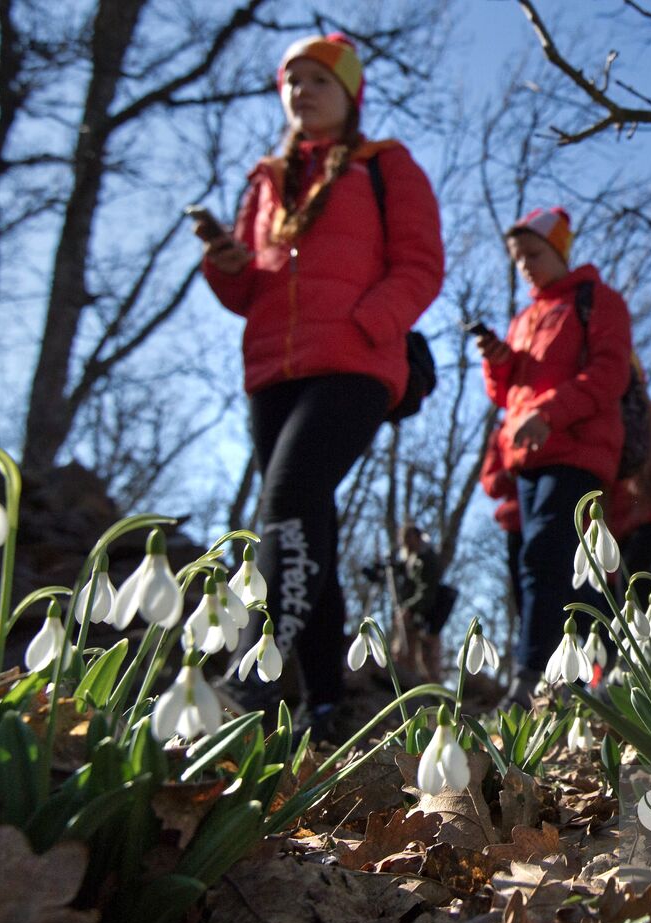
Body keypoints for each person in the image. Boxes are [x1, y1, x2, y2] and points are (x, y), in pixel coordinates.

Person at [198, 33, 444, 730]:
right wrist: (226, 261)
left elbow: (421, 262)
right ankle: (325, 701)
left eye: (318, 81)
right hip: (271, 366)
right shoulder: (266, 179)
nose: (301, 92)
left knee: (289, 496)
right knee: (309, 524)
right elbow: (246, 289)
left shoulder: (383, 165)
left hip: (355, 363)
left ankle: (251, 679)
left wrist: (371, 321)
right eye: (292, 81)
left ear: (349, 93)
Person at [475, 206, 632, 707]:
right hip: (529, 454)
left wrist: (550, 411)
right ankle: (589, 674)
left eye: (534, 254)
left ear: (560, 250)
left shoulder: (597, 302)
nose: (525, 265)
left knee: (547, 557)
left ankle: (534, 679)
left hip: (578, 448)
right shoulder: (525, 318)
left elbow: (611, 373)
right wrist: (500, 365)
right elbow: (507, 398)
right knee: (546, 564)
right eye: (517, 258)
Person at [609, 401, 651, 598]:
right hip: (618, 517)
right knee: (619, 579)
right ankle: (631, 625)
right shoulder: (608, 416)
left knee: (633, 569)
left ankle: (643, 626)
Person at [479, 424, 523, 623]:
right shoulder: (503, 431)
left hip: (564, 520)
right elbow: (489, 483)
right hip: (516, 522)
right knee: (524, 596)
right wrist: (511, 472)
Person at [392, 523, 444, 682]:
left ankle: (436, 697)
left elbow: (427, 590)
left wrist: (409, 607)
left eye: (407, 538)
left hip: (427, 615)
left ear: (417, 537)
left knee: (426, 657)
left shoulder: (426, 558)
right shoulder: (409, 558)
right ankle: (403, 686)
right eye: (402, 539)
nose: (404, 542)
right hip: (414, 610)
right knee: (401, 652)